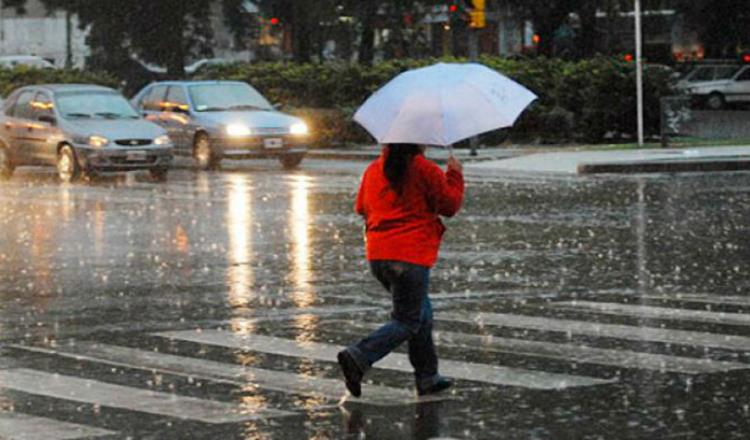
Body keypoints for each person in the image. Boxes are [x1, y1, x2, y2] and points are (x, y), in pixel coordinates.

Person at [337, 143, 464, 397]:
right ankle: (360, 355)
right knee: (408, 320)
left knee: (421, 314)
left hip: (379, 255)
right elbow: (449, 206)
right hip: (410, 256)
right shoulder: (424, 169)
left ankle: (427, 377)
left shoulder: (374, 169)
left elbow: (361, 207)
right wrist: (455, 175)